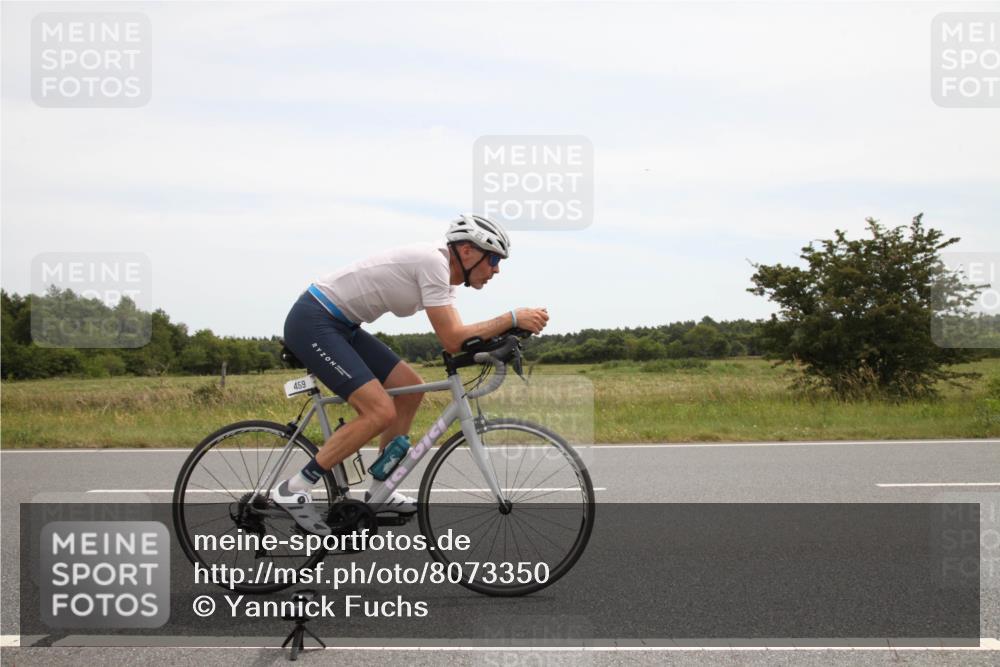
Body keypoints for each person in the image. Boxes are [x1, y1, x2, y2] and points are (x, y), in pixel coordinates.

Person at [274, 214, 549, 535]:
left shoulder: (444, 278)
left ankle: (381, 488)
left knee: (411, 388)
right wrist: (511, 317)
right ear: (469, 252)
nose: (496, 269)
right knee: (379, 410)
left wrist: (503, 337)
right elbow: (452, 338)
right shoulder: (434, 263)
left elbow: (460, 340)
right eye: (493, 259)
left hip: (342, 325)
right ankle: (295, 488)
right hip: (314, 320)